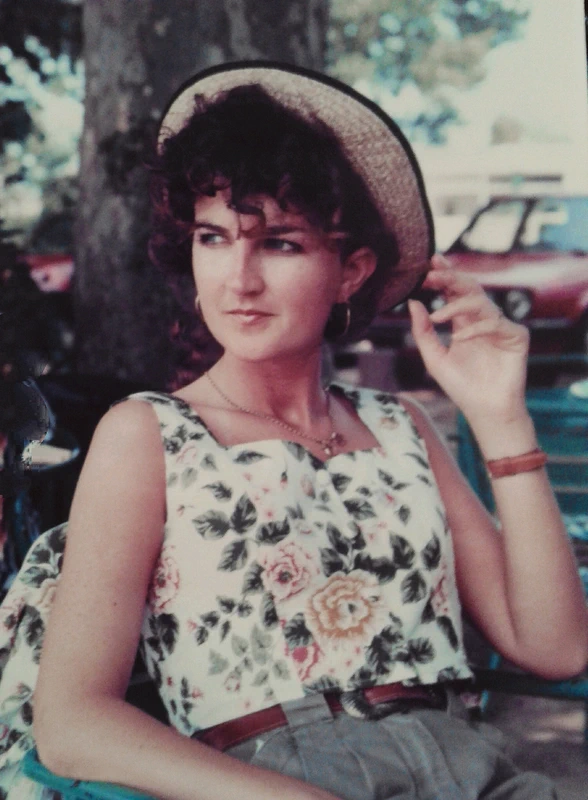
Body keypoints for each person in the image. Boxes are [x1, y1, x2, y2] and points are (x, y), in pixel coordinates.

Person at [25, 63, 588, 800]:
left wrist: (501, 417)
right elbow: (70, 723)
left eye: (280, 243)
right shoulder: (149, 434)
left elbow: (556, 647)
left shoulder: (402, 426)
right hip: (273, 775)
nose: (238, 279)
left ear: (351, 269)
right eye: (213, 237)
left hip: (472, 765)